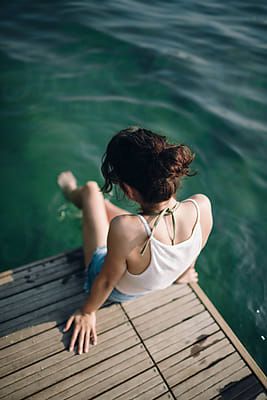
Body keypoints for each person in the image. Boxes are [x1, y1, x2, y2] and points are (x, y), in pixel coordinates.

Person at [57, 126, 213, 354]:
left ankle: (72, 192)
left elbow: (106, 281)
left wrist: (88, 311)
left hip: (120, 289)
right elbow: (196, 248)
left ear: (129, 191)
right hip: (156, 278)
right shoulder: (201, 205)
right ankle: (100, 207)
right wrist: (184, 272)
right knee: (115, 215)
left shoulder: (125, 229)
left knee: (90, 190)